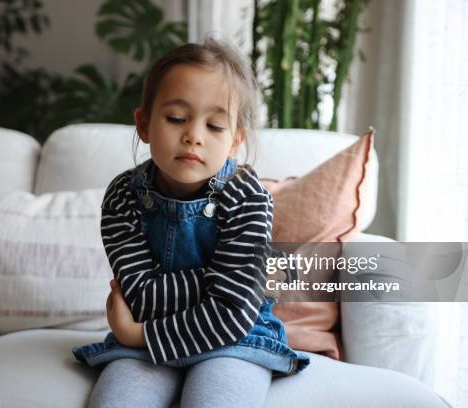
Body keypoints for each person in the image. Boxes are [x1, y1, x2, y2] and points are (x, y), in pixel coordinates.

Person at [72, 38, 309, 408]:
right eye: (177, 118)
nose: (194, 135)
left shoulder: (248, 197)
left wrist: (137, 336)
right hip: (149, 335)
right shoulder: (122, 196)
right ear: (144, 124)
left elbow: (233, 312)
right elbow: (142, 296)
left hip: (235, 339)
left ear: (235, 142)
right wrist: (229, 280)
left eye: (215, 126)